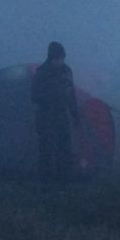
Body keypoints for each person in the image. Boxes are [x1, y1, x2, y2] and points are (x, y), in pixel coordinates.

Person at [31, 41, 80, 182]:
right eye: (57, 59)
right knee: (46, 148)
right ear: (51, 58)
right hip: (45, 115)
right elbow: (35, 96)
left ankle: (64, 177)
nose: (60, 61)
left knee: (64, 146)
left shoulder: (66, 71)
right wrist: (56, 93)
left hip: (61, 114)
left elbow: (72, 95)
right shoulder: (42, 72)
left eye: (62, 58)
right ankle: (46, 180)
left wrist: (75, 115)